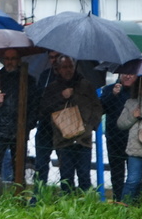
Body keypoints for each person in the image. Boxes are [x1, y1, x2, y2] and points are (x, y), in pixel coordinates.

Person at [40, 55, 102, 193]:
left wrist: (91, 126)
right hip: (63, 139)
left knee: (84, 176)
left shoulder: (86, 85)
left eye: (70, 67)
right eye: (64, 67)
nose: (68, 70)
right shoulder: (52, 88)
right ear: (58, 69)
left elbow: (97, 107)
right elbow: (44, 108)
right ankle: (68, 204)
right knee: (66, 177)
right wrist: (62, 97)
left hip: (83, 139)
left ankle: (86, 205)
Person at [0, 49, 37, 195]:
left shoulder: (28, 79)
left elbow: (34, 106)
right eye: (7, 58)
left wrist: (27, 126)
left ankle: (19, 195)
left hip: (20, 129)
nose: (10, 62)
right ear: (3, 60)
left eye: (13, 58)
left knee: (19, 165)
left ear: (18, 60)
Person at [99, 72, 136, 200]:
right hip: (114, 138)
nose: (128, 76)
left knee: (134, 174)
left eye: (132, 74)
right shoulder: (109, 89)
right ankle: (118, 199)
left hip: (135, 140)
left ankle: (133, 200)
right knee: (117, 173)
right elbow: (100, 109)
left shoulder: (139, 92)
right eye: (125, 73)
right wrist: (112, 95)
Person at [32, 50, 62, 186]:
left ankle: (67, 192)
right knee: (41, 162)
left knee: (65, 163)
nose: (54, 61)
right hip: (45, 124)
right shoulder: (45, 75)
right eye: (51, 58)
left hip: (63, 125)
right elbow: (37, 98)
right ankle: (38, 193)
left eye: (57, 57)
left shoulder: (71, 77)